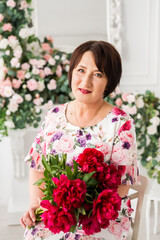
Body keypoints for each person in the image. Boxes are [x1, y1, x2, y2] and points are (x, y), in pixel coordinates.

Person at [20, 40, 140, 240]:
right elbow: (37, 165)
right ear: (72, 72)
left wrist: (79, 211)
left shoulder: (120, 122)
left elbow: (123, 184)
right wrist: (38, 205)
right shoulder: (54, 115)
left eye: (98, 74)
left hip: (101, 216)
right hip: (57, 213)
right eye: (81, 70)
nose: (86, 82)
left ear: (110, 81)